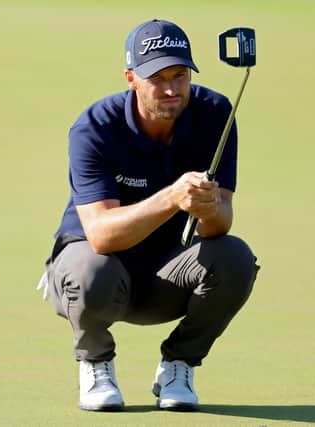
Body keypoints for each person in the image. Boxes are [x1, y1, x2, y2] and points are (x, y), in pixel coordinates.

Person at [37, 18, 259, 412]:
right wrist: (173, 197)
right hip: (98, 276)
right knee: (92, 269)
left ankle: (179, 364)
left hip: (167, 277)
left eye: (180, 74)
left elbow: (221, 223)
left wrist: (207, 207)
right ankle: (96, 363)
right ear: (131, 78)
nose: (172, 89)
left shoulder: (215, 113)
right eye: (158, 77)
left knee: (235, 257)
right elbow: (102, 236)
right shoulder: (95, 128)